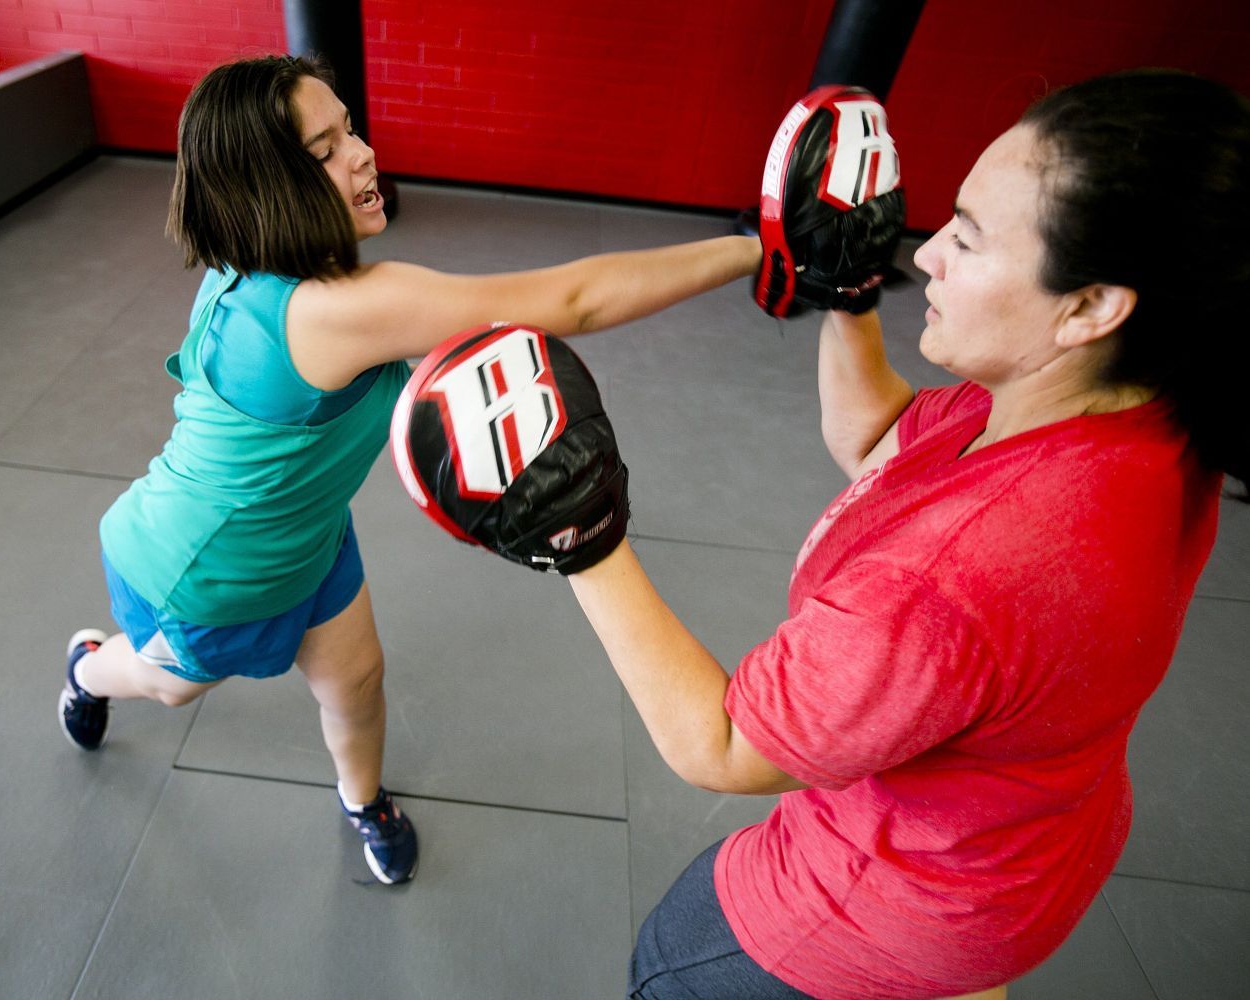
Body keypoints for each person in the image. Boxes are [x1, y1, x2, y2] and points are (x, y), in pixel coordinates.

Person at [456, 69, 1243, 995]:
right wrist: (849, 294)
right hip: (1017, 856)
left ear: (1091, 307)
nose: (933, 252)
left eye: (972, 238)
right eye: (948, 217)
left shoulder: (955, 576)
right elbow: (880, 443)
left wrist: (580, 533)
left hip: (875, 910)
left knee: (671, 970)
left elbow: (720, 746)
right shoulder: (1143, 416)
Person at [56, 54, 762, 886]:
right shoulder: (334, 311)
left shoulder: (266, 267)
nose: (361, 154)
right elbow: (575, 302)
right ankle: (88, 667)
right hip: (211, 569)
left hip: (311, 536)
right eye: (323, 151)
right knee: (169, 688)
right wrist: (754, 250)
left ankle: (363, 801)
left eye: (348, 128)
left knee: (357, 681)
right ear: (262, 188)